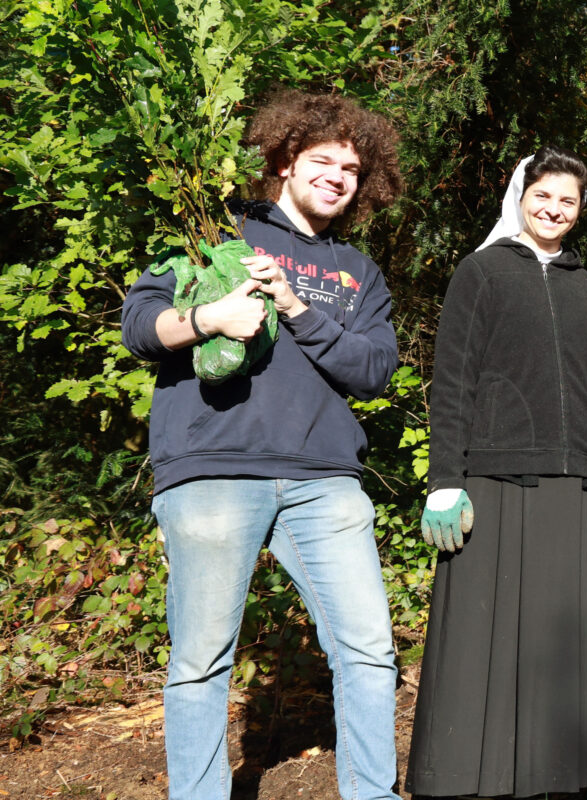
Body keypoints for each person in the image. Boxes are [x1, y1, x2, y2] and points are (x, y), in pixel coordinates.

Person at [120, 90, 404, 800]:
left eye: (352, 169)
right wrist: (211, 315)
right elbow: (140, 326)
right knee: (199, 662)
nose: (339, 177)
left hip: (326, 481)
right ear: (283, 160)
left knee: (370, 652)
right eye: (324, 161)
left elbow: (373, 370)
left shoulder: (357, 273)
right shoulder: (219, 234)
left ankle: (372, 793)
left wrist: (294, 307)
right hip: (215, 471)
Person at [408, 147, 587, 798]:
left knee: (556, 642)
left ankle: (553, 779)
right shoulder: (480, 273)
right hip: (491, 479)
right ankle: (462, 778)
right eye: (544, 195)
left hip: (574, 487)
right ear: (521, 194)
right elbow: (451, 380)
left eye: (568, 200)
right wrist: (443, 480)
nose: (554, 209)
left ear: (580, 210)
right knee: (480, 637)